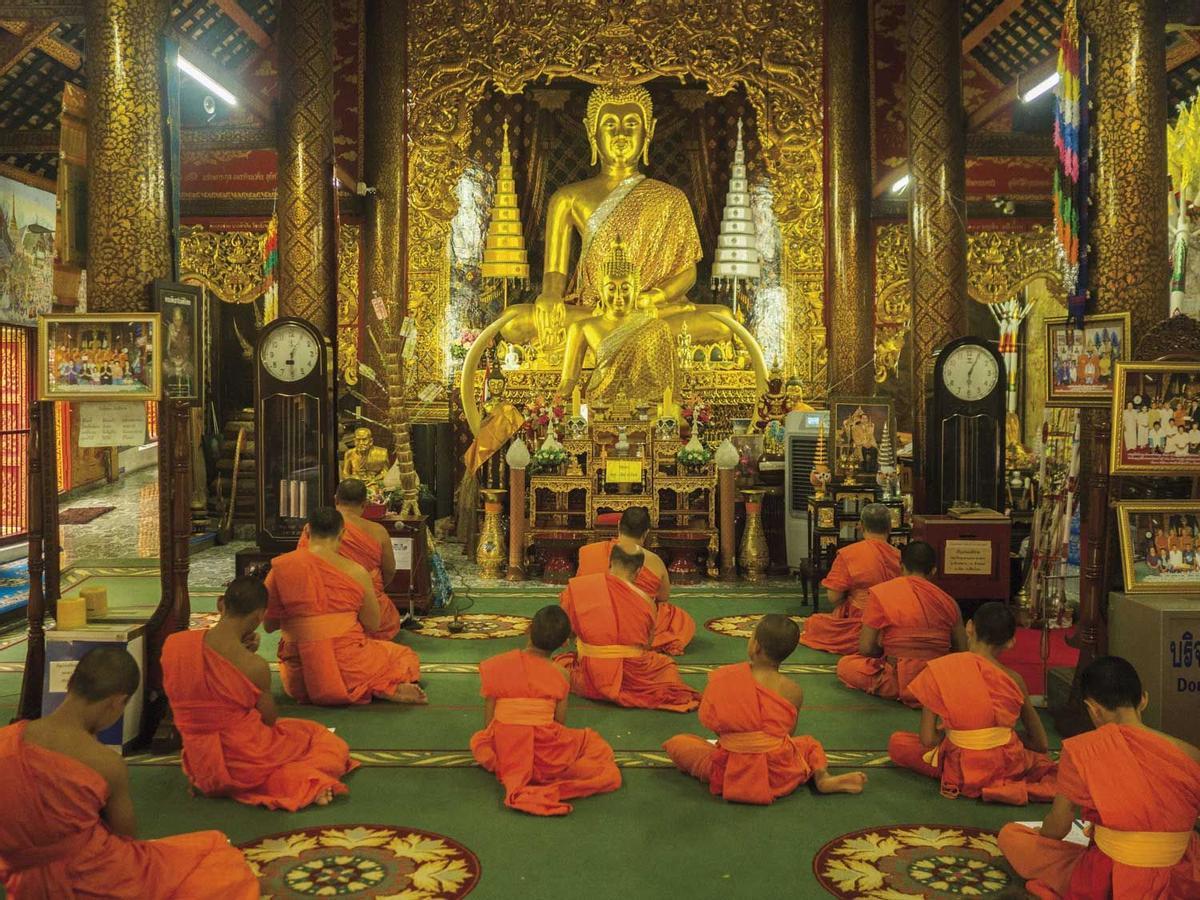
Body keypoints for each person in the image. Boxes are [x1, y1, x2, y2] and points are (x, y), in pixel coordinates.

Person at [0, 647, 258, 898]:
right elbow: (126, 836)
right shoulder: (105, 763)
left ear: (71, 685)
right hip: (93, 879)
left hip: (23, 883)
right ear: (117, 702)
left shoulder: (5, 742)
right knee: (216, 857)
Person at [998, 656, 1200, 898]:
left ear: (1093, 709)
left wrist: (1044, 837)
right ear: (1143, 699)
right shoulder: (1190, 753)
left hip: (1109, 879)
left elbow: (1058, 827)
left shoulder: (1083, 750)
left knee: (1012, 836)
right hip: (1179, 879)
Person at [162, 575, 358, 811]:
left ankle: (284, 781)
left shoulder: (175, 644)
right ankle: (300, 783)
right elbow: (269, 719)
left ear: (220, 604)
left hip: (198, 759)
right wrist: (248, 658)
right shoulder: (253, 666)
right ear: (259, 617)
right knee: (317, 737)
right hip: (243, 758)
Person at [663, 614, 866, 804]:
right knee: (810, 745)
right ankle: (823, 778)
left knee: (679, 743)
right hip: (779, 774)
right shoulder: (793, 690)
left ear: (756, 647)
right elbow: (787, 734)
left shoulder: (725, 677)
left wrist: (741, 738)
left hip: (730, 772)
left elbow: (713, 725)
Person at [886, 602, 1056, 804]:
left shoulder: (941, 669)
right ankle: (999, 778)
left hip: (960, 766)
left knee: (898, 742)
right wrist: (1000, 736)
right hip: (1006, 764)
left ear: (969, 627)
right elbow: (1041, 743)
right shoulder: (1014, 679)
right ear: (1011, 642)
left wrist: (955, 734)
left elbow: (928, 739)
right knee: (1043, 764)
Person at [265, 507, 426, 706]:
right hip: (349, 666)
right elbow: (372, 625)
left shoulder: (282, 567)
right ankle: (381, 685)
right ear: (342, 533)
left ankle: (376, 685)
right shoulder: (356, 572)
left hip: (300, 676)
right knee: (403, 656)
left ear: (307, 531)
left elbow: (269, 625)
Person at [470, 606, 621, 816]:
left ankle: (515, 764)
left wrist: (497, 742)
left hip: (505, 748)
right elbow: (559, 722)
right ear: (563, 643)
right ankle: (537, 768)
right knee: (591, 743)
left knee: (480, 741)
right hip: (546, 749)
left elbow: (488, 719)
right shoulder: (560, 674)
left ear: (529, 629)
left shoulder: (497, 665)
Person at [556, 544, 701, 712]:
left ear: (610, 563)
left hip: (591, 672)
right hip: (632, 674)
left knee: (563, 662)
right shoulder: (646, 602)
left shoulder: (582, 588)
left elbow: (570, 631)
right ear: (639, 571)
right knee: (666, 666)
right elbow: (646, 644)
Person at [835, 540, 966, 706]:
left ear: (901, 566)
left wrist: (886, 651)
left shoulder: (882, 592)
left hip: (896, 681)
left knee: (845, 665)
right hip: (937, 682)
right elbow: (962, 651)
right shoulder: (949, 601)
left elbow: (866, 648)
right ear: (933, 571)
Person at [575, 506, 694, 655]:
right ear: (646, 533)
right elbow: (663, 598)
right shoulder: (654, 561)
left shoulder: (590, 552)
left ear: (619, 525)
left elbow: (579, 591)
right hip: (635, 625)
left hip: (596, 622)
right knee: (677, 617)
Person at [298, 478, 401, 640]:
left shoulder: (313, 528)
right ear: (365, 503)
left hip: (322, 606)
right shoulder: (378, 531)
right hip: (368, 606)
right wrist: (372, 589)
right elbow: (389, 570)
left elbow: (303, 568)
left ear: (335, 499)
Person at [799, 503, 901, 655]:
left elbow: (834, 597)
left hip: (860, 621)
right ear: (890, 527)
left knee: (814, 623)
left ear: (861, 526)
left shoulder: (850, 554)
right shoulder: (899, 555)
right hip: (894, 621)